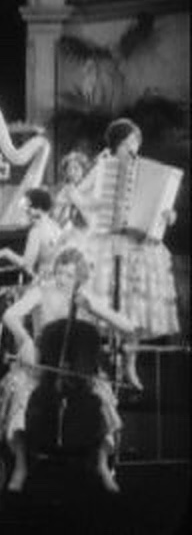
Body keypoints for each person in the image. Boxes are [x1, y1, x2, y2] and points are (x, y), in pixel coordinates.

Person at [0, 247, 131, 493]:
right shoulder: (41, 292)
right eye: (59, 273)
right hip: (40, 368)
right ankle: (21, 465)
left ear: (79, 278)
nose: (62, 279)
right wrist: (25, 339)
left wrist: (94, 308)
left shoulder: (85, 297)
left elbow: (127, 326)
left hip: (77, 369)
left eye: (69, 275)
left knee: (102, 401)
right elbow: (10, 315)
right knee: (21, 398)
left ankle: (101, 465)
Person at [75, 118, 180, 390]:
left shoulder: (144, 170)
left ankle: (130, 365)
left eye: (137, 142)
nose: (134, 148)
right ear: (117, 143)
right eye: (129, 142)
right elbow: (74, 194)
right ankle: (103, 366)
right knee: (105, 307)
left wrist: (168, 217)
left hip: (138, 246)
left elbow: (161, 208)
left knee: (133, 308)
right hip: (107, 244)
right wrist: (94, 205)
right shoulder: (103, 168)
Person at [0, 188, 62, 281]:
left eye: (29, 206)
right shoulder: (56, 226)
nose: (26, 210)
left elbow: (27, 264)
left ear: (39, 208)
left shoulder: (36, 231)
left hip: (45, 283)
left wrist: (6, 253)